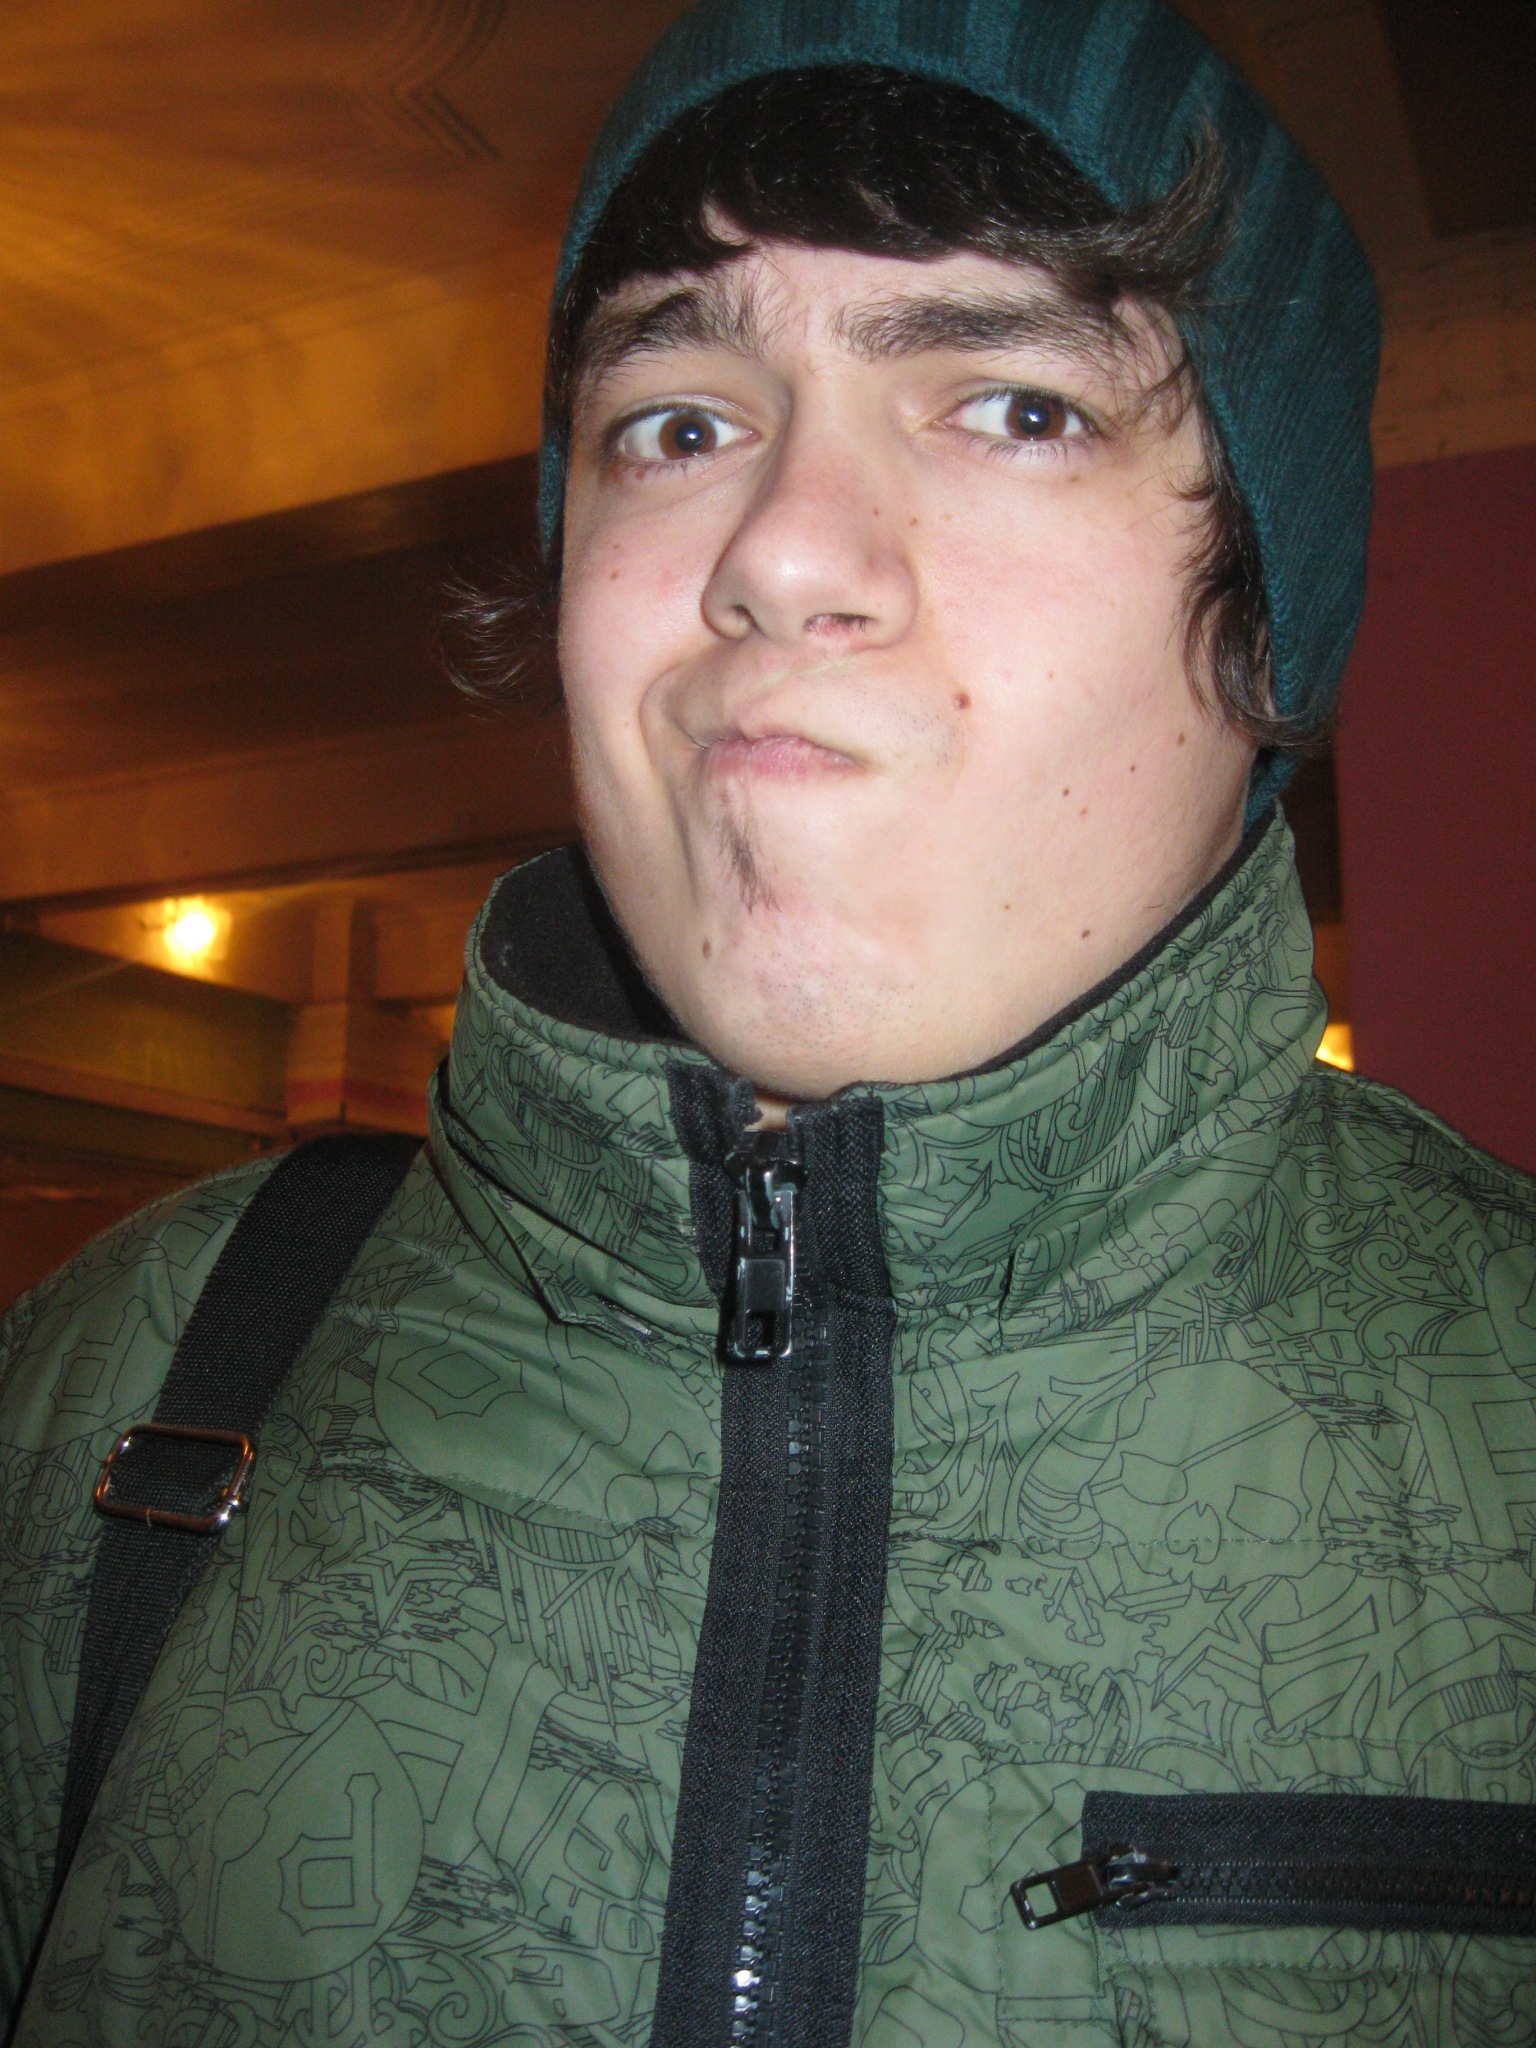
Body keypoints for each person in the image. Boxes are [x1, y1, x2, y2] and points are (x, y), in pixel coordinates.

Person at [3, 0, 1535, 2043]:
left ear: (1268, 616)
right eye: (679, 425)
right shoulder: (99, 1397)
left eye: (1016, 406)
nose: (781, 553)